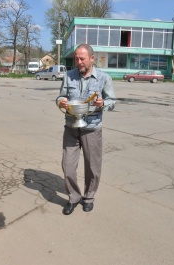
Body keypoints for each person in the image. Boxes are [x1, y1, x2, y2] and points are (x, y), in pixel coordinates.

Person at [56, 44, 116, 215]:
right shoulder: (69, 76)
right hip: (71, 127)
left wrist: (103, 103)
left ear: (91, 58)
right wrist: (62, 101)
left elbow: (112, 101)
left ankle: (89, 197)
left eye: (82, 58)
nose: (79, 62)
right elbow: (61, 96)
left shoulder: (103, 78)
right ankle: (73, 197)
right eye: (76, 58)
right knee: (67, 165)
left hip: (92, 128)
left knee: (92, 166)